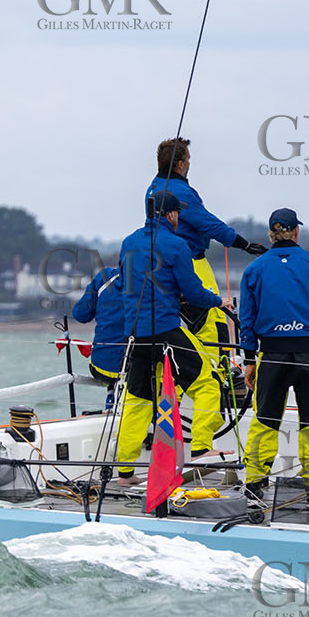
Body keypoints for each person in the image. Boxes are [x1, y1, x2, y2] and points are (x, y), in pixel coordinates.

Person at [114, 191, 234, 484]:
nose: (179, 217)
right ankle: (203, 448)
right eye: (177, 213)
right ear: (170, 215)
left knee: (138, 400)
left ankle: (125, 472)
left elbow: (126, 282)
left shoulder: (128, 243)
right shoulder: (176, 244)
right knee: (209, 381)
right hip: (167, 330)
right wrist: (217, 301)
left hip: (136, 336)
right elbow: (193, 292)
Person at [239, 208, 309, 502]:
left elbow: (246, 318)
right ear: (296, 232)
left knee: (265, 421)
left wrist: (249, 360)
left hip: (271, 355)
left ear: (271, 234)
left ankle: (255, 484)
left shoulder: (254, 269)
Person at [145, 136, 267, 357]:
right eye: (188, 159)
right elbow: (208, 223)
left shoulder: (154, 187)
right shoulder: (178, 192)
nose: (190, 163)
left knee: (185, 321)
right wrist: (244, 244)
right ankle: (217, 373)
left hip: (162, 262)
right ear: (180, 164)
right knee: (214, 318)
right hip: (191, 262)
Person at [70, 263, 124, 387]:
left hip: (102, 366)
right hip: (139, 369)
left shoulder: (105, 277)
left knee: (114, 380)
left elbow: (80, 315)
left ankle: (111, 400)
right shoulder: (154, 284)